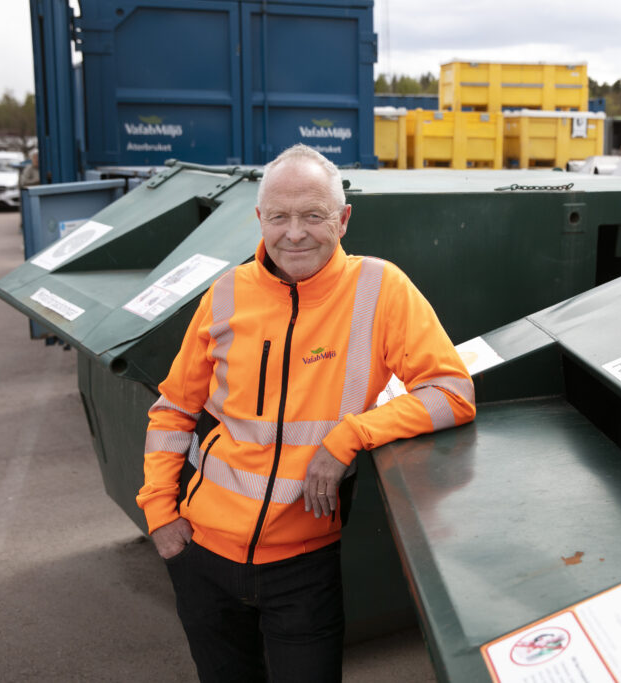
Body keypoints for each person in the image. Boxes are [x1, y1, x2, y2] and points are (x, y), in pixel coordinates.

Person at [136, 144, 476, 682]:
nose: (294, 232)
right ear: (260, 220)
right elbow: (174, 409)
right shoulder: (225, 294)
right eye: (280, 217)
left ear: (342, 220)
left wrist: (350, 436)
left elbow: (451, 392)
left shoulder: (381, 289)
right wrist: (160, 515)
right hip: (200, 555)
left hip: (304, 567)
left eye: (313, 216)